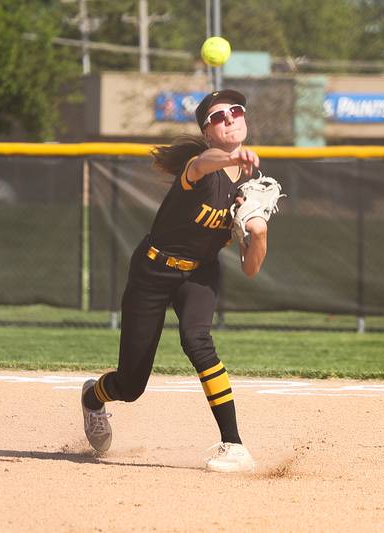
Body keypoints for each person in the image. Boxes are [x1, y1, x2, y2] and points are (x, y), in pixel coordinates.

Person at [80, 89, 270, 472]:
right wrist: (230, 157)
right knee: (131, 386)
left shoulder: (253, 183)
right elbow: (203, 164)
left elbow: (250, 268)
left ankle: (233, 445)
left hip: (199, 270)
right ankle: (93, 397)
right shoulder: (200, 166)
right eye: (218, 116)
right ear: (207, 131)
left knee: (197, 340)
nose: (230, 118)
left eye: (235, 111)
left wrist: (260, 233)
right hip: (153, 271)